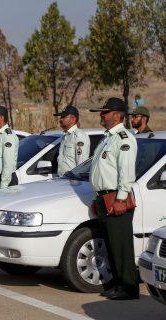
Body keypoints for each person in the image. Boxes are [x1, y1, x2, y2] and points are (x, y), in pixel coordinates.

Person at [89, 97, 139, 300]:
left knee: (122, 246)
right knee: (111, 246)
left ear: (117, 115)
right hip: (104, 198)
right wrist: (96, 197)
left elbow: (126, 173)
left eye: (105, 112)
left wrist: (120, 199)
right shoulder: (107, 138)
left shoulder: (124, 138)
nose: (101, 115)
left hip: (116, 198)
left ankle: (129, 287)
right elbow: (101, 171)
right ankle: (117, 285)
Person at [53, 105, 90, 176]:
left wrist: (77, 182)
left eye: (63, 117)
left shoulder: (79, 136)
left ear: (73, 119)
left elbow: (81, 165)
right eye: (61, 117)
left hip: (73, 182)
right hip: (62, 180)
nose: (60, 119)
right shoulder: (65, 136)